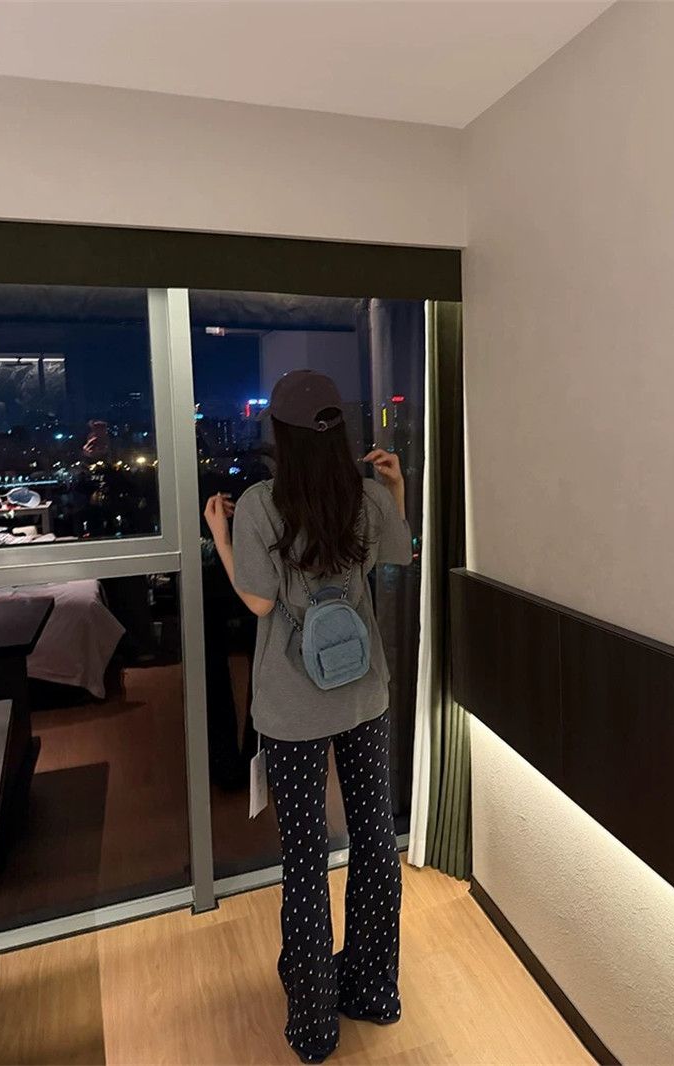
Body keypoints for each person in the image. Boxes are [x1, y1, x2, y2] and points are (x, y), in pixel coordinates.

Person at [204, 369, 412, 1064]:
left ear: (281, 435)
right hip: (364, 695)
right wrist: (395, 489)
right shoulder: (364, 495)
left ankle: (316, 1024)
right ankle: (374, 991)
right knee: (375, 841)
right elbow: (396, 555)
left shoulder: (261, 505)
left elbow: (259, 602)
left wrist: (221, 536)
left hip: (293, 707)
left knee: (305, 857)